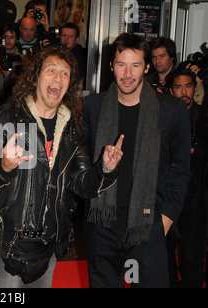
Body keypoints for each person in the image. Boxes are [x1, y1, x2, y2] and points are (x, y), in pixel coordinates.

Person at [0, 46, 123, 288]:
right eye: (51, 70)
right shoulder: (7, 117)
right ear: (36, 77)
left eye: (65, 73)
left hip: (48, 246)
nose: (58, 78)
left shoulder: (72, 128)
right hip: (8, 244)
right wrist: (4, 166)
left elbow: (82, 184)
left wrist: (105, 170)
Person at [84, 33, 191, 288]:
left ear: (146, 66)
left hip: (149, 227)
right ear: (111, 66)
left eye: (135, 65)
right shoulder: (93, 107)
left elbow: (180, 170)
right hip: (103, 226)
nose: (128, 74)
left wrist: (165, 220)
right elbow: (84, 164)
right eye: (121, 64)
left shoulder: (171, 110)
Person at [166, 65, 207, 288]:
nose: (184, 92)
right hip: (169, 192)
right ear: (171, 90)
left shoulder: (203, 117)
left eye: (188, 86)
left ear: (195, 87)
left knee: (192, 251)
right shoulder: (164, 116)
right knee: (165, 250)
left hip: (194, 193)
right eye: (178, 87)